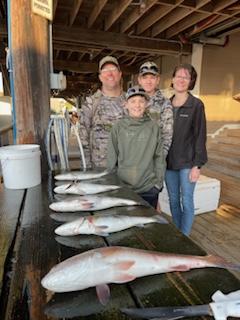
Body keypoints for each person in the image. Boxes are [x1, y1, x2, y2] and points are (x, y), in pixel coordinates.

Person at [165, 63, 207, 236]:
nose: (181, 79)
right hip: (169, 163)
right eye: (178, 75)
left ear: (191, 81)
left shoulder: (196, 105)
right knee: (173, 201)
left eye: (186, 76)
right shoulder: (166, 105)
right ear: (173, 79)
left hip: (188, 163)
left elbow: (200, 136)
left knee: (187, 201)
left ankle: (185, 238)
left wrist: (197, 165)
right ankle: (178, 234)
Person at [107, 85, 166, 208]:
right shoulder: (118, 127)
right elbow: (112, 158)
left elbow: (159, 157)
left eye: (141, 101)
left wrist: (158, 184)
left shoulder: (153, 127)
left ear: (146, 104)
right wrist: (113, 184)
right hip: (124, 188)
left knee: (148, 224)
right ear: (126, 104)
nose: (137, 105)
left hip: (148, 188)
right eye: (133, 101)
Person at [79, 56, 126, 168]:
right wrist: (86, 167)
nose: (110, 74)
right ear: (100, 77)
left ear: (120, 74)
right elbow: (83, 138)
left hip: (127, 168)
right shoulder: (91, 103)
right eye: (105, 71)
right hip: (100, 168)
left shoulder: (132, 101)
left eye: (113, 70)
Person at [138, 61, 173, 157]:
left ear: (158, 80)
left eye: (152, 77)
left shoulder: (165, 103)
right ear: (139, 80)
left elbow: (167, 135)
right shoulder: (131, 101)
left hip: (154, 158)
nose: (148, 81)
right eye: (145, 77)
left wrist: (160, 159)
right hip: (133, 158)